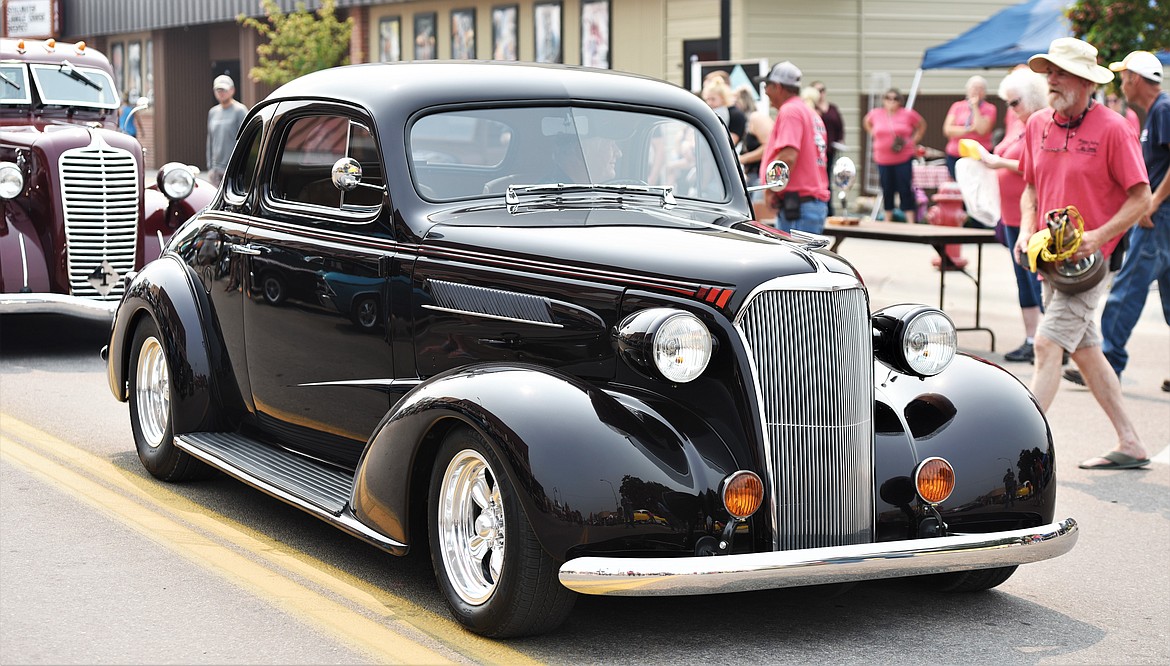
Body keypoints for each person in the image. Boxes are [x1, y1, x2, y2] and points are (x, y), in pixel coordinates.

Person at [1016, 37, 1151, 470]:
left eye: (1060, 72)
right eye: (1049, 72)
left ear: (1086, 82)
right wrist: (1024, 229)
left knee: (1046, 342)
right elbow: (1031, 186)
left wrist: (1098, 236)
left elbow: (1141, 198)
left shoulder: (1113, 128)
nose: (1050, 80)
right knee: (1086, 350)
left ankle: (1019, 449)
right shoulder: (1038, 123)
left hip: (1090, 266)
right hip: (1049, 262)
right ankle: (1130, 442)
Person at [1063, 51, 1169, 391]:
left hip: (1160, 217)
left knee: (1126, 290)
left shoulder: (1163, 109)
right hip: (1161, 214)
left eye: (1124, 77)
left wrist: (1151, 203)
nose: (1122, 84)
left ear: (1135, 79)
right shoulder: (1157, 111)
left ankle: (1108, 364)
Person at [980, 68, 1049, 362]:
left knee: (1037, 279)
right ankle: (1032, 339)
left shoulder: (1040, 122)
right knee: (1023, 280)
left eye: (1014, 102)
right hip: (1010, 214)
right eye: (1007, 103)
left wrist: (998, 162)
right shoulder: (1017, 122)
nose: (1010, 108)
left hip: (1031, 215)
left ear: (1032, 98)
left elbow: (1033, 167)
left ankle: (1050, 342)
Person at [753, 61, 830, 234]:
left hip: (798, 207)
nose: (765, 92)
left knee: (794, 260)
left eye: (767, 86)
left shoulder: (790, 111)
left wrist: (771, 189)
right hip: (806, 204)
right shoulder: (808, 111)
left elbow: (788, 156)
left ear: (778, 87)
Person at [863, 88, 925, 224]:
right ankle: (888, 219)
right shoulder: (876, 114)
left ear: (899, 101)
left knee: (905, 188)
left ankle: (910, 220)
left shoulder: (907, 114)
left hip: (903, 157)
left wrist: (913, 140)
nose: (891, 101)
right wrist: (873, 133)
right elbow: (866, 121)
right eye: (888, 98)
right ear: (884, 100)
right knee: (887, 188)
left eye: (895, 98)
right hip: (883, 159)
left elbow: (921, 124)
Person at [943, 75, 997, 179]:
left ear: (985, 92)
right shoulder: (957, 106)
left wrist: (975, 107)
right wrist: (970, 129)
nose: (976, 91)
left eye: (980, 88)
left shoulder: (990, 108)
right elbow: (948, 130)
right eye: (973, 88)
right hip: (955, 154)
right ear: (967, 90)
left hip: (979, 155)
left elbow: (982, 130)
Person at [733, 85, 774, 203]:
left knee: (758, 216)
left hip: (761, 176)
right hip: (751, 176)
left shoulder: (756, 118)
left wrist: (742, 159)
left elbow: (769, 146)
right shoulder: (746, 122)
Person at [206, 74, 247, 187]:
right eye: (218, 90)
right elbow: (210, 140)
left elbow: (245, 140)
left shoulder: (240, 111)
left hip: (233, 168)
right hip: (215, 169)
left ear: (232, 90)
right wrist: (210, 166)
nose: (221, 93)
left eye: (224, 90)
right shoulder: (213, 112)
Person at [812, 81, 845, 214]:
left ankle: (829, 209)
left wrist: (840, 140)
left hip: (830, 150)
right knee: (818, 179)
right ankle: (821, 207)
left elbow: (839, 126)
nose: (820, 93)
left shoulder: (832, 108)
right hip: (816, 152)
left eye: (822, 90)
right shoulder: (810, 109)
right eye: (817, 90)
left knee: (828, 180)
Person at [701, 77, 745, 148]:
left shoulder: (735, 115)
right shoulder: (711, 113)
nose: (709, 102)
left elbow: (730, 143)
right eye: (707, 99)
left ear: (723, 98)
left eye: (713, 99)